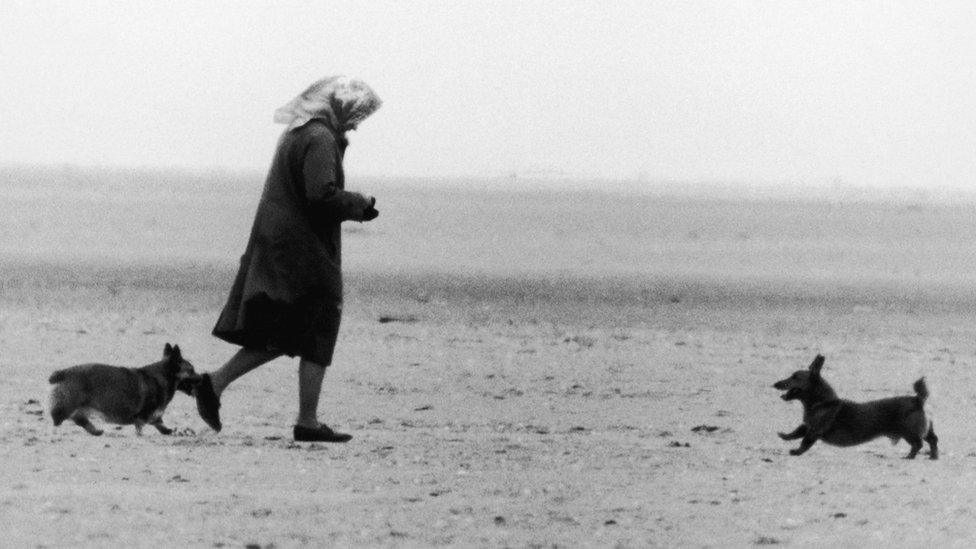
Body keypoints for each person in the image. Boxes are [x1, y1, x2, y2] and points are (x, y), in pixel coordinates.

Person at [194, 75, 382, 442]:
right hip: (303, 251)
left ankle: (217, 385)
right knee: (320, 324)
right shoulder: (321, 138)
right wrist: (359, 204)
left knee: (289, 330)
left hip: (284, 245)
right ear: (341, 107)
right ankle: (305, 421)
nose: (358, 123)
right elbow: (319, 195)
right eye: (357, 114)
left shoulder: (302, 131)